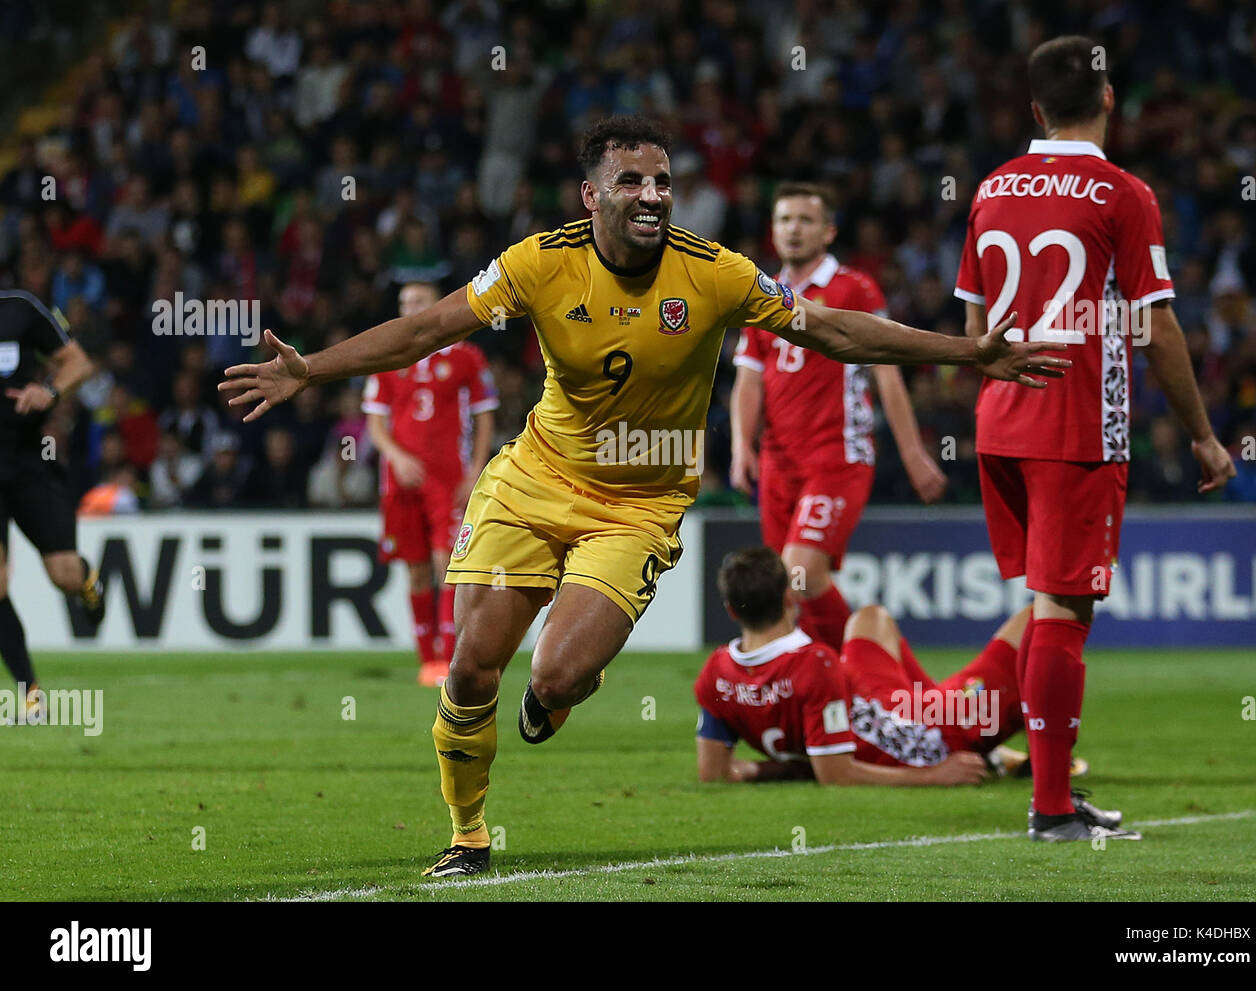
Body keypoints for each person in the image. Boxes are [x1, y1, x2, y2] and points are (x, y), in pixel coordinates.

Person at [221, 114, 1069, 877]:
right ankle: (469, 834)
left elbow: (835, 330)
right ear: (591, 195)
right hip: (537, 476)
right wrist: (311, 367)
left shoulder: (716, 273)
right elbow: (425, 329)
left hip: (639, 504)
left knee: (557, 673)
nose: (653, 194)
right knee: (474, 659)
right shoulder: (538, 263)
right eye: (633, 181)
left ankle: (546, 702)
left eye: (663, 180)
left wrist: (967, 354)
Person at [953, 36, 1234, 841]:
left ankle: (1055, 795)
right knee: (1065, 611)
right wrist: (1205, 437)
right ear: (1110, 100)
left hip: (1000, 422)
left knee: (1047, 603)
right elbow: (1157, 325)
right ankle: (1048, 808)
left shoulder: (992, 187)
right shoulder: (1121, 192)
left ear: (1034, 109)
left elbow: (975, 328)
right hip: (1076, 425)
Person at [695, 547, 1114, 824]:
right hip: (923, 733)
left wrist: (770, 768)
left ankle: (988, 744)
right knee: (1046, 617)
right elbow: (835, 774)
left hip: (876, 702)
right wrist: (934, 775)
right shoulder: (814, 662)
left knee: (869, 618)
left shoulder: (715, 673)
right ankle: (1019, 752)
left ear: (731, 608)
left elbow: (713, 772)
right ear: (791, 598)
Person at [731, 182, 947, 649]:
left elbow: (886, 373)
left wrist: (913, 453)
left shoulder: (854, 287)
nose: (793, 229)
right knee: (786, 590)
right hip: (778, 462)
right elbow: (749, 379)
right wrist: (740, 446)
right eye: (785, 219)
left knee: (801, 572)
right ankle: (830, 684)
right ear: (772, 229)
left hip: (837, 456)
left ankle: (857, 669)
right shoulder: (763, 293)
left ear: (829, 232)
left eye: (806, 220)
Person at [363, 282, 498, 687]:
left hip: (448, 478)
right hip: (401, 480)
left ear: (435, 306)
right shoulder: (388, 357)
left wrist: (476, 467)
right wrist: (398, 457)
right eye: (404, 302)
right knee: (417, 569)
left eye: (417, 302)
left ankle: (451, 656)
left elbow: (484, 414)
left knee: (449, 565)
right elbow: (375, 423)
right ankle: (428, 662)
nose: (409, 308)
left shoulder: (466, 357)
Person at [0, 290, 105, 721]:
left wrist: (49, 390)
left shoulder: (19, 308)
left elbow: (79, 362)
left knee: (62, 574)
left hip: (29, 462)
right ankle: (30, 692)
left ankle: (87, 583)